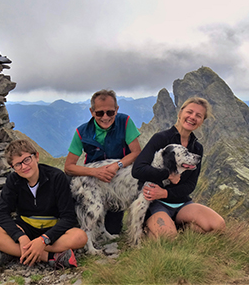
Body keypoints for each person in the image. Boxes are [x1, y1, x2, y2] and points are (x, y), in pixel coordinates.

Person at [131, 97, 226, 239]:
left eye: (198, 116)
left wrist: (165, 193)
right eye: (190, 112)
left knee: (218, 225)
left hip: (182, 203)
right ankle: (154, 226)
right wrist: (167, 174)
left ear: (201, 121)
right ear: (180, 113)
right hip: (155, 203)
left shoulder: (197, 148)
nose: (192, 117)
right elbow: (137, 169)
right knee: (167, 237)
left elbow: (190, 184)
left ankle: (176, 225)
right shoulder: (161, 139)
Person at [0, 139, 87, 268]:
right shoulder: (13, 181)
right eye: (18, 164)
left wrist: (44, 240)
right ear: (13, 168)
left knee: (80, 237)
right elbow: (1, 214)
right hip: (25, 228)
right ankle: (49, 257)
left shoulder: (56, 177)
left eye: (27, 159)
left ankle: (14, 252)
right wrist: (20, 237)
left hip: (52, 230)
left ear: (36, 157)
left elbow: (68, 217)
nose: (24, 166)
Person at [64, 89, 141, 234]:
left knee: (113, 230)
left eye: (110, 112)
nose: (105, 117)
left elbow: (137, 153)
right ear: (92, 112)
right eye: (99, 113)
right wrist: (95, 172)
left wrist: (117, 165)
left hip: (117, 185)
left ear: (117, 110)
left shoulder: (125, 122)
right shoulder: (82, 131)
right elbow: (68, 167)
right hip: (93, 183)